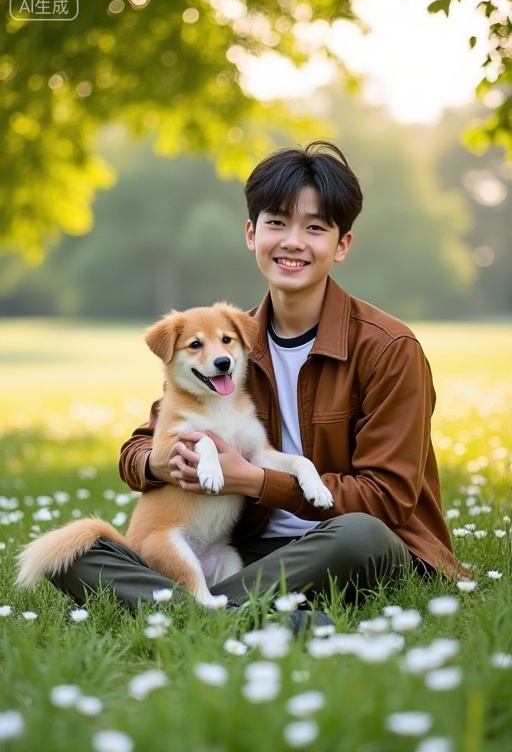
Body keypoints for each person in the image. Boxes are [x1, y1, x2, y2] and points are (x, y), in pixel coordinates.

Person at [50, 141, 465, 626]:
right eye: (277, 223)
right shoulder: (226, 342)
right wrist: (157, 462)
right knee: (77, 551)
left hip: (345, 544)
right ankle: (249, 616)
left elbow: (388, 500)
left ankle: (188, 610)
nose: (293, 241)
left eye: (315, 227)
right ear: (252, 233)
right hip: (251, 548)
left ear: (342, 244)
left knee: (361, 534)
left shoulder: (389, 347)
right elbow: (140, 448)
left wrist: (255, 480)